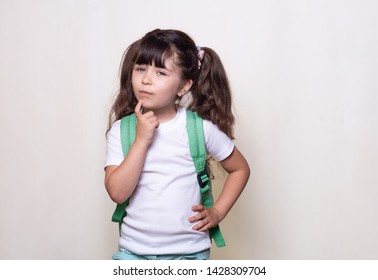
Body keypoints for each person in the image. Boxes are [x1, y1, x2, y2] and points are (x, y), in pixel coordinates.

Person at [105, 29, 250, 260]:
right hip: (134, 254)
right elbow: (117, 193)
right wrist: (142, 140)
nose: (146, 79)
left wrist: (217, 212)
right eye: (141, 68)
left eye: (160, 72)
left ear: (183, 87)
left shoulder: (199, 128)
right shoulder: (121, 130)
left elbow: (240, 168)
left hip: (190, 255)